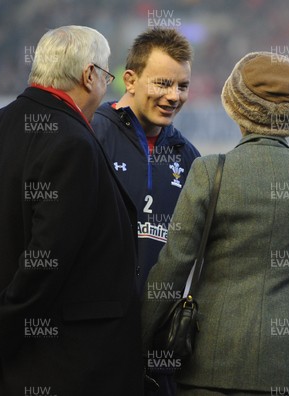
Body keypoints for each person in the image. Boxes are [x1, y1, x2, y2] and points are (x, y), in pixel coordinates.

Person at [0, 25, 144, 395]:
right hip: (63, 365)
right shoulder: (73, 143)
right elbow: (47, 257)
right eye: (107, 75)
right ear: (89, 75)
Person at [141, 52, 289, 395]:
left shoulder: (210, 170)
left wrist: (140, 338)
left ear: (235, 104)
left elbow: (174, 266)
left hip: (213, 365)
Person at [91, 27, 200, 395]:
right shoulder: (91, 137)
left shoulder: (189, 158)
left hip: (161, 352)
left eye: (182, 86)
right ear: (130, 79)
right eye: (163, 83)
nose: (174, 96)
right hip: (97, 340)